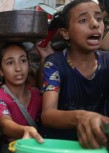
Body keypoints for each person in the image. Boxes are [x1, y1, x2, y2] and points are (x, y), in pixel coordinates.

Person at [40, 0, 109, 149]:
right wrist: (81, 117)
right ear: (65, 33)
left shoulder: (107, 61)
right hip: (60, 146)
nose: (95, 24)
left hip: (97, 146)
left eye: (98, 19)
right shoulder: (54, 64)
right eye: (83, 20)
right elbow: (47, 114)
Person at [0, 43, 44, 153]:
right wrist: (25, 130)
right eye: (10, 62)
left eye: (23, 61)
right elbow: (6, 124)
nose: (18, 68)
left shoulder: (37, 95)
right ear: (0, 71)